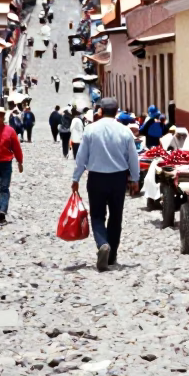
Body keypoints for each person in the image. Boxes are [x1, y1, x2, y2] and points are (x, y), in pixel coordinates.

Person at [71, 98, 140, 272]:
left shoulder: (91, 130)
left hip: (96, 178)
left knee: (97, 215)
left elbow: (81, 158)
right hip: (118, 179)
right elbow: (133, 157)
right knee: (116, 217)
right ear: (116, 111)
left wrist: (76, 178)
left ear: (100, 111)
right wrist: (135, 179)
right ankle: (112, 255)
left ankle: (102, 244)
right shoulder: (125, 132)